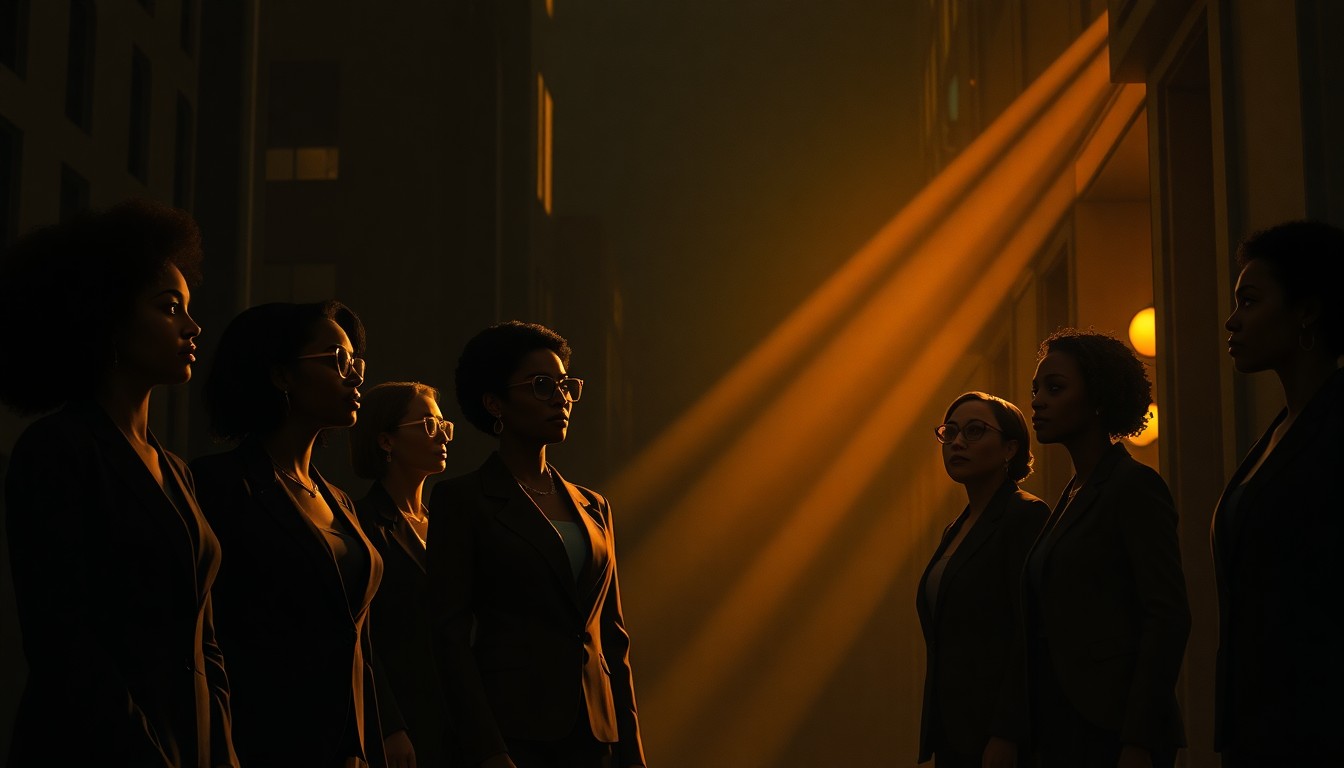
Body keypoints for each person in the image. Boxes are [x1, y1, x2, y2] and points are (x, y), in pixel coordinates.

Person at [0, 201, 237, 767]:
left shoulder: (177, 471)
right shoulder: (58, 450)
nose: (192, 325)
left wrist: (223, 752)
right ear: (107, 319)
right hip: (96, 748)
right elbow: (63, 639)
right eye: (168, 307)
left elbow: (205, 643)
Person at [428, 321, 645, 768]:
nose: (561, 399)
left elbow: (613, 640)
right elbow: (448, 635)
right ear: (495, 403)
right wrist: (487, 747)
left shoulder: (594, 506)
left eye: (566, 385)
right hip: (514, 733)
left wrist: (633, 753)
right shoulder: (463, 500)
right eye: (542, 386)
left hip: (596, 734)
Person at [191, 301, 395, 768]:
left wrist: (367, 745)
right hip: (263, 743)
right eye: (336, 360)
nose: (356, 376)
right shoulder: (218, 486)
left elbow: (356, 642)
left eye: (355, 362)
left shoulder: (340, 500)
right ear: (281, 375)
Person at [1026, 328, 1190, 768]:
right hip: (1062, 728)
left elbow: (1167, 616)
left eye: (1055, 388)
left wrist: (1137, 740)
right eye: (1036, 389)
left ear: (1098, 399)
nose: (1038, 400)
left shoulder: (1134, 486)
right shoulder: (1073, 492)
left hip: (1112, 730)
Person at [1214, 220, 1344, 766]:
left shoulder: (1335, 426)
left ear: (1306, 311)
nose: (1232, 320)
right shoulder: (1277, 432)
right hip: (1259, 723)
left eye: (1250, 301)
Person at [917, 392, 1049, 768]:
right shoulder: (955, 528)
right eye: (951, 432)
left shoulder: (1024, 515)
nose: (958, 442)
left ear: (1010, 447)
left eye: (975, 431)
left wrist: (1007, 733)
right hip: (954, 729)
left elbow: (1028, 633)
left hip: (995, 735)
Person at [350, 381, 455, 767]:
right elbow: (361, 637)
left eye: (444, 426)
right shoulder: (361, 523)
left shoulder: (447, 524)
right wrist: (390, 724)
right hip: (403, 720)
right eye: (428, 425)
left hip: (457, 720)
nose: (442, 436)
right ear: (386, 441)